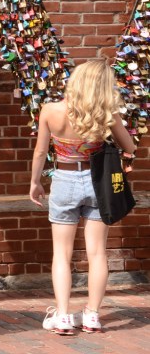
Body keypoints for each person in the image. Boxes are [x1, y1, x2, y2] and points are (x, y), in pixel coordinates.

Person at [29, 60, 136, 335]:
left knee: (62, 254)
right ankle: (91, 316)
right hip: (96, 181)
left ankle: (63, 316)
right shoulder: (105, 114)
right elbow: (130, 146)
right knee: (97, 253)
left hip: (64, 180)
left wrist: (35, 182)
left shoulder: (51, 110)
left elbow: (41, 152)